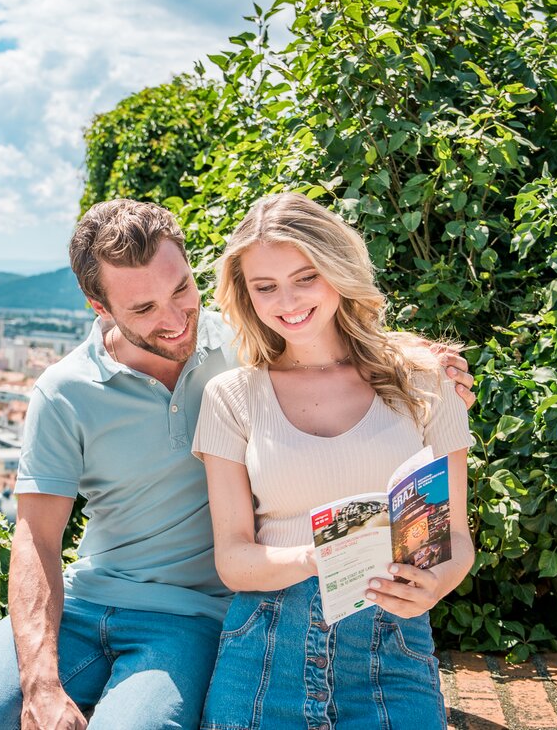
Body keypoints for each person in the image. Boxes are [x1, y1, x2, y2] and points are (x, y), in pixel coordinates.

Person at [0, 198, 475, 730]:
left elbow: (322, 330)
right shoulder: (64, 391)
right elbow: (36, 539)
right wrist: (42, 684)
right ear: (101, 309)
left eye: (181, 290)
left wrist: (426, 368)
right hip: (86, 601)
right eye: (143, 309)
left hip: (189, 617)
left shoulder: (242, 341)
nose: (174, 321)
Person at [193, 193, 475, 729]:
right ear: (245, 295)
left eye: (305, 277)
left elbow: (455, 540)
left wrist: (433, 585)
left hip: (389, 646)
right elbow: (232, 558)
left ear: (337, 271)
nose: (288, 301)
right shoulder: (231, 396)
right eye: (265, 286)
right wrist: (326, 557)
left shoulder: (424, 381)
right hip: (266, 646)